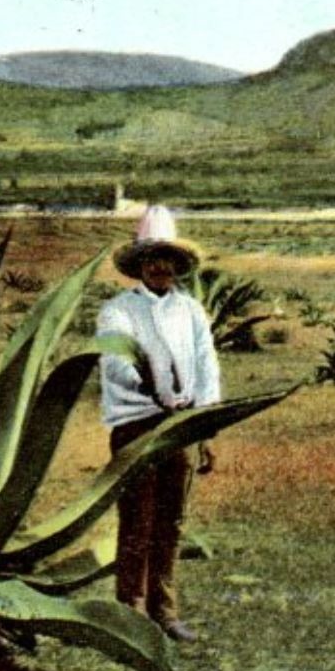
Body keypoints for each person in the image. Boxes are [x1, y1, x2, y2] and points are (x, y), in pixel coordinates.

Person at [96, 205, 220, 643]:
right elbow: (114, 363)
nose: (160, 266)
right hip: (137, 426)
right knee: (137, 520)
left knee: (172, 522)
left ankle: (164, 611)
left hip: (182, 426)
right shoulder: (118, 311)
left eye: (166, 258)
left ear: (177, 265)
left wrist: (205, 427)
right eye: (152, 258)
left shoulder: (191, 312)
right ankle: (128, 611)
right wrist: (153, 388)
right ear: (140, 266)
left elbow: (207, 368)